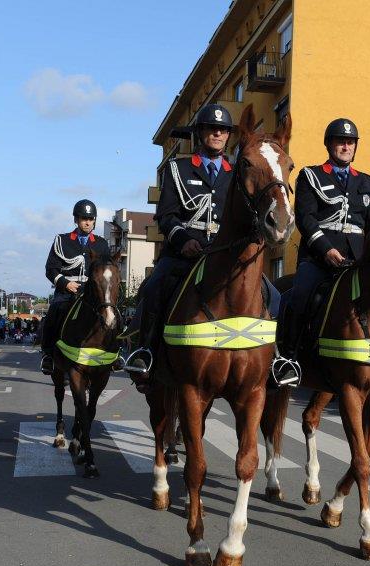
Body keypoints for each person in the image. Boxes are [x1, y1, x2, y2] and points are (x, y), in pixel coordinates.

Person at [124, 103, 237, 380]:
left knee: (270, 294)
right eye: (212, 128)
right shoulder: (178, 169)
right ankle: (146, 353)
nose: (218, 134)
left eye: (222, 130)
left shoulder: (237, 173)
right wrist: (184, 240)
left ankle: (275, 358)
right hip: (184, 254)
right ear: (201, 133)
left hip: (223, 255)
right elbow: (166, 216)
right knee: (153, 289)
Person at [273, 116, 370, 387]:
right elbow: (306, 219)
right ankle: (289, 358)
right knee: (299, 295)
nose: (345, 147)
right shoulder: (311, 176)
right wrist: (327, 250)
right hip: (319, 257)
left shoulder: (366, 182)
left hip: (357, 260)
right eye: (340, 142)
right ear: (329, 145)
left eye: (350, 142)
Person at [39, 199, 112, 375]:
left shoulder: (101, 244)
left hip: (92, 292)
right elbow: (51, 269)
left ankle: (114, 352)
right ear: (76, 220)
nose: (87, 222)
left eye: (90, 218)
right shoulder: (62, 240)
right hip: (67, 291)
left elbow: (107, 269)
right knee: (53, 313)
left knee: (112, 314)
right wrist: (65, 283)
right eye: (83, 218)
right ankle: (48, 354)